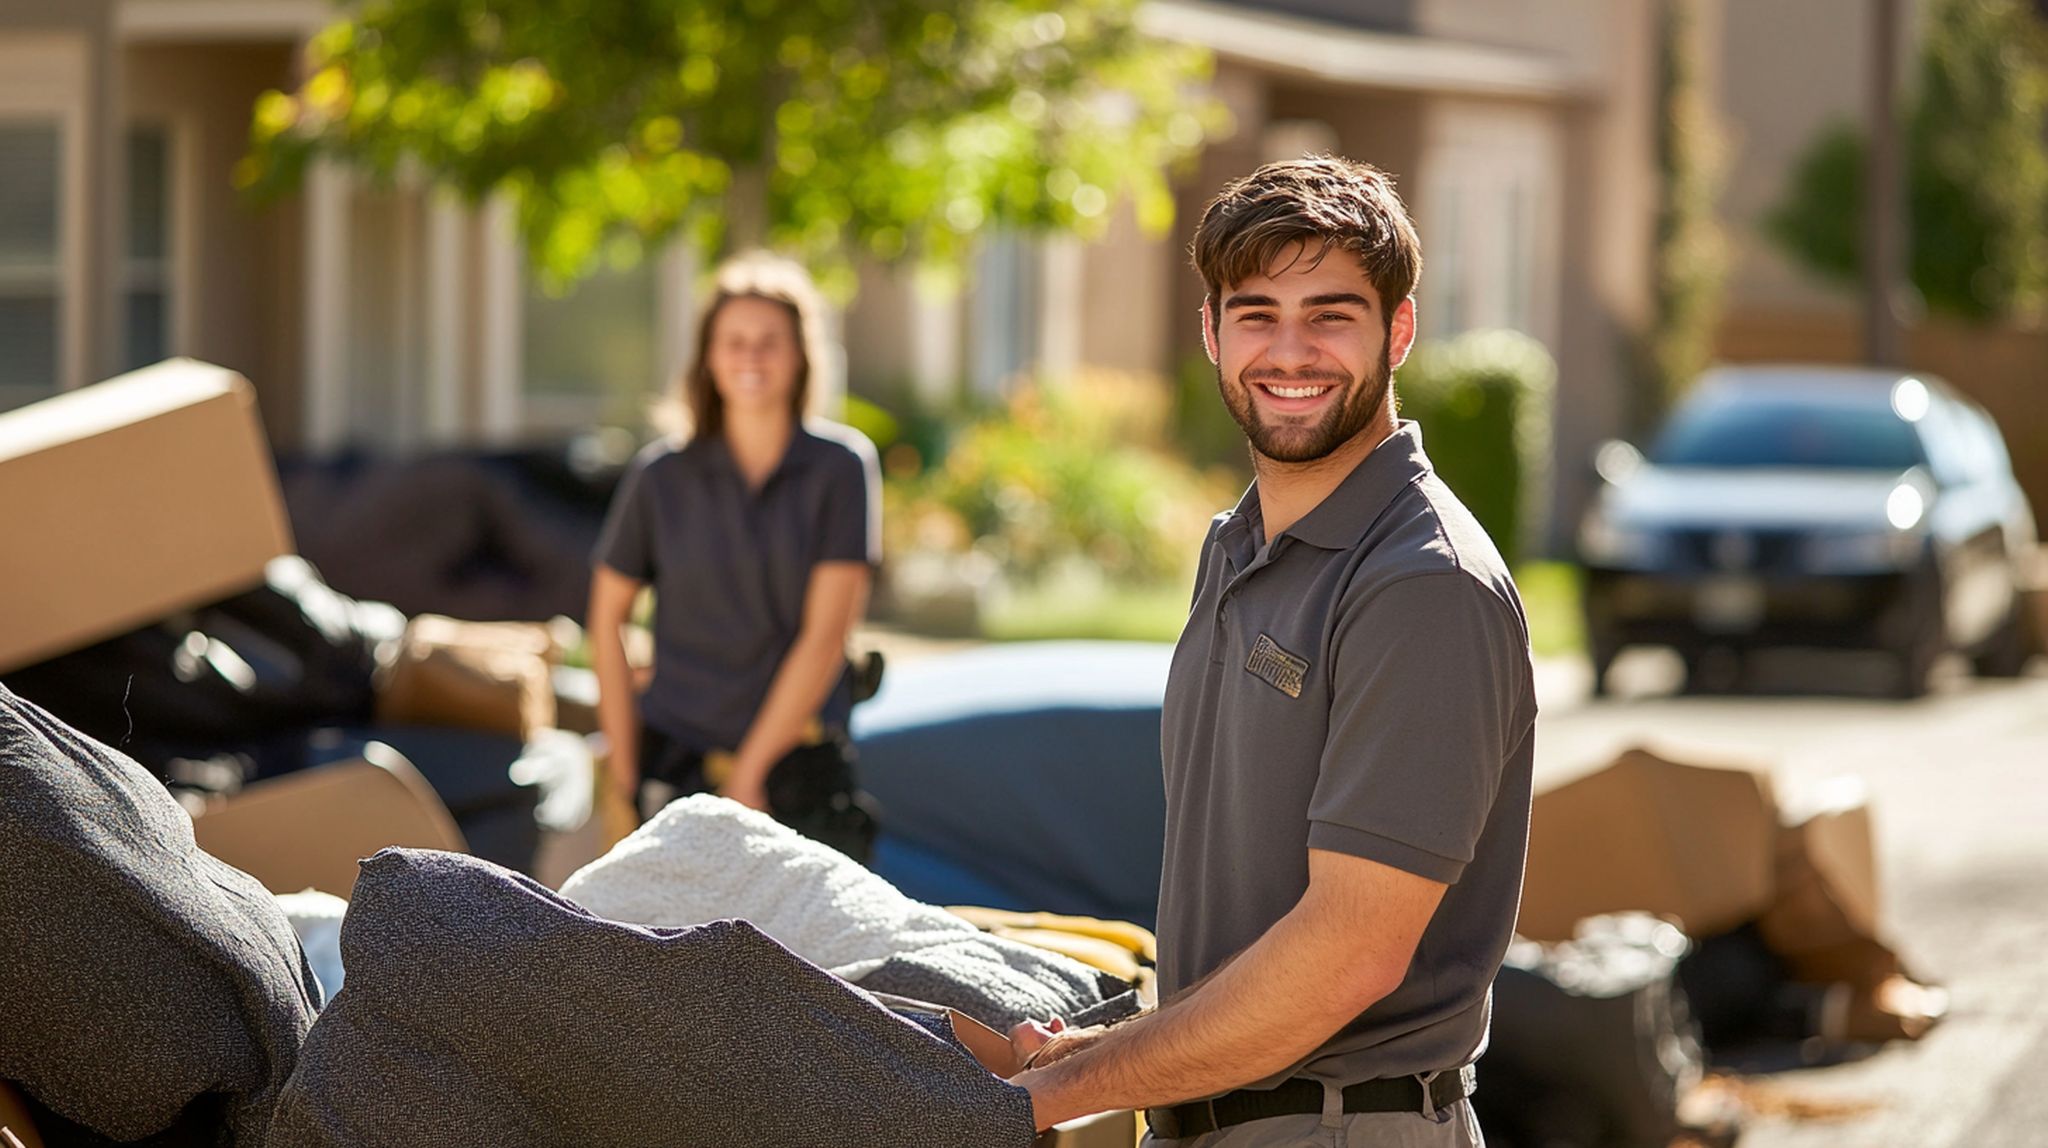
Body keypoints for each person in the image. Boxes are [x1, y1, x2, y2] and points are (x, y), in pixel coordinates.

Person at [1010, 156, 1537, 1146]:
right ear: (1211, 333)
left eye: (1329, 314)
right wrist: (1090, 1052)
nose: (1288, 351)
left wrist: (1041, 1097)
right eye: (1255, 313)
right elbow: (1258, 925)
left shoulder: (1419, 585)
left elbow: (1347, 954)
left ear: (1399, 330)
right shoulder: (1239, 548)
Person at [586, 251, 882, 860]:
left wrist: (748, 777)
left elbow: (827, 637)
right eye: (734, 341)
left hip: (797, 775)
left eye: (769, 341)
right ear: (709, 356)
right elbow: (606, 617)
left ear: (801, 354)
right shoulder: (660, 476)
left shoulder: (842, 468)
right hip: (677, 765)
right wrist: (623, 771)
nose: (751, 357)